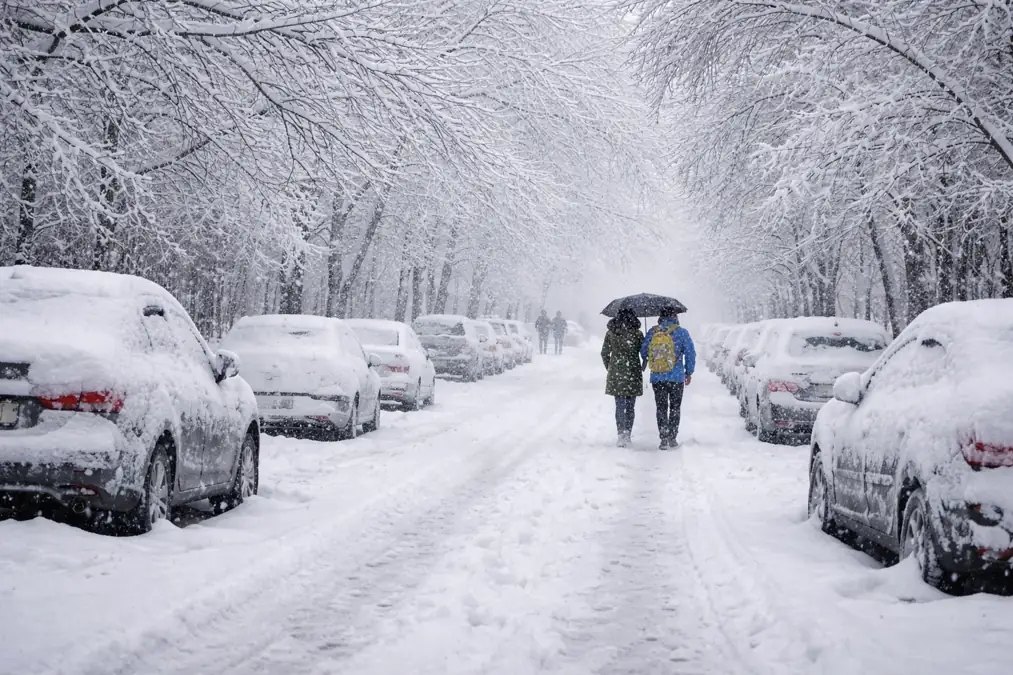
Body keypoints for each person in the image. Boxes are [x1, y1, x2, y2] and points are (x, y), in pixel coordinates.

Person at [641, 308, 696, 449]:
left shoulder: (653, 331)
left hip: (657, 377)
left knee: (661, 407)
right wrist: (688, 372)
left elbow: (643, 351)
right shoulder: (681, 332)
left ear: (660, 317)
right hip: (676, 377)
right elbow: (690, 353)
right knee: (675, 407)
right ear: (675, 316)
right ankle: (672, 437)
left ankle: (663, 437)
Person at [601, 309, 644, 447]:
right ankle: (627, 434)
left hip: (617, 372)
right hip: (633, 371)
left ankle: (620, 434)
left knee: (619, 405)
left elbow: (604, 353)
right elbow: (644, 352)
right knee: (630, 406)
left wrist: (611, 367)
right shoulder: (637, 333)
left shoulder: (611, 333)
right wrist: (644, 363)